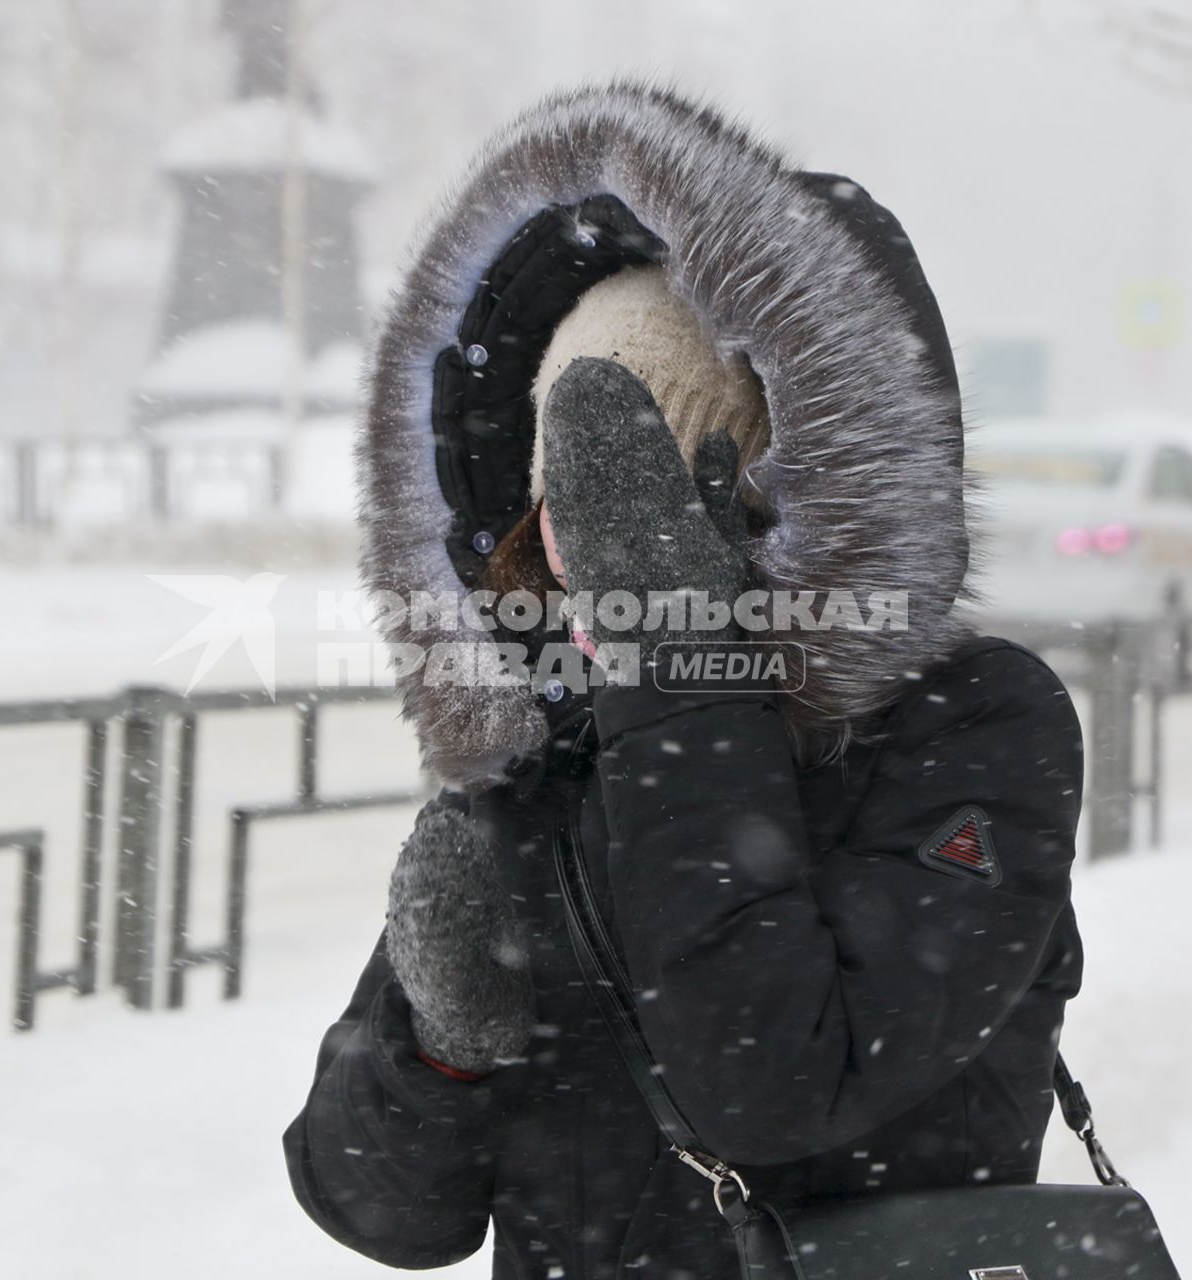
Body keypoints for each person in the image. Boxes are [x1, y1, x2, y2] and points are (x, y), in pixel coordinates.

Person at [283, 82, 1085, 1279]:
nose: (587, 544)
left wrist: (673, 653)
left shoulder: (968, 723)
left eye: (647, 495)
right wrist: (438, 1043)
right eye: (570, 501)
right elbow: (386, 1216)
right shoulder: (547, 742)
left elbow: (774, 1085)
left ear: (772, 489)